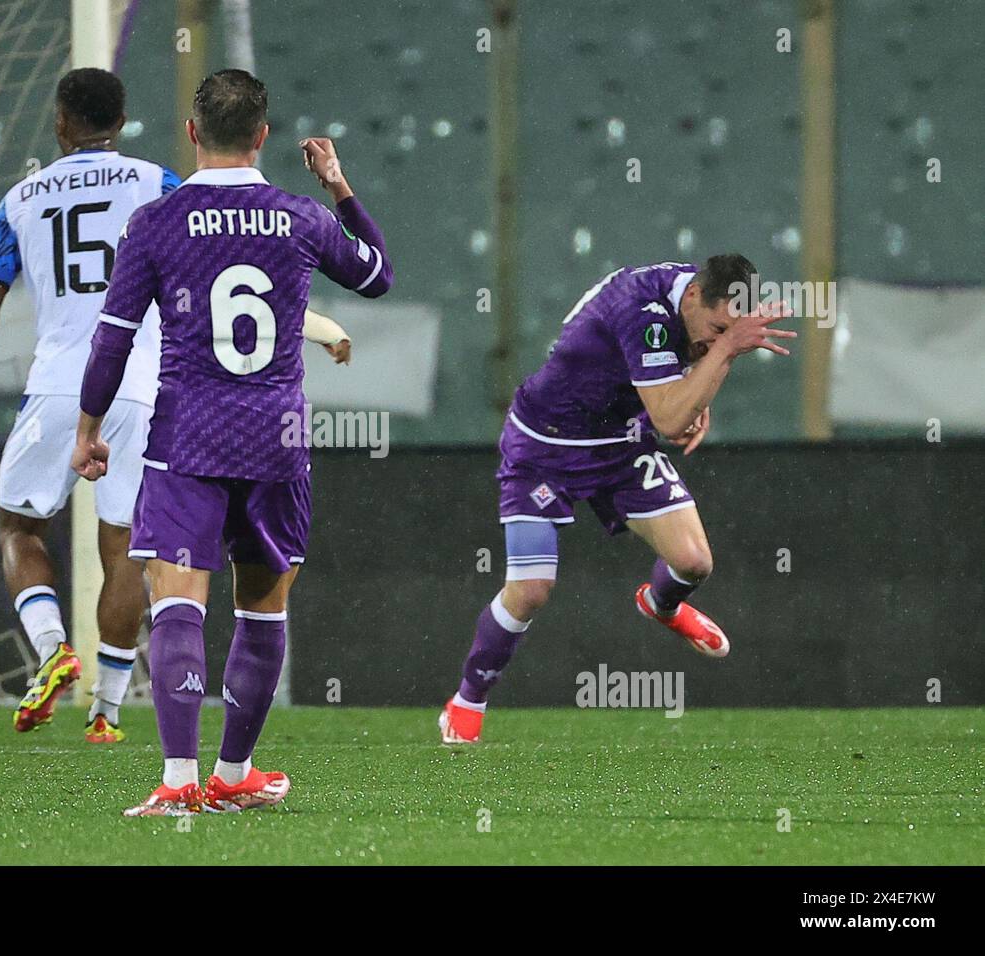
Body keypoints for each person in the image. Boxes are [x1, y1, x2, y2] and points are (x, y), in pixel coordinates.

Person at [71, 69, 393, 815]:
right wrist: (340, 185)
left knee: (178, 602)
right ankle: (236, 771)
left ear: (191, 133)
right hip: (275, 440)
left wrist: (89, 429)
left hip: (188, 436)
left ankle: (180, 783)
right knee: (262, 609)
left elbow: (113, 341)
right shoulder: (301, 217)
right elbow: (377, 276)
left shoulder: (154, 224)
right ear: (262, 137)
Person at [439, 257, 793, 744]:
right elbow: (670, 418)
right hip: (546, 447)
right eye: (716, 327)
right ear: (693, 298)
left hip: (622, 443)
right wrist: (723, 355)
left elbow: (688, 369)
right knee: (531, 590)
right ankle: (467, 699)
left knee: (693, 563)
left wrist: (702, 389)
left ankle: (661, 605)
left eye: (727, 330)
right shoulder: (642, 309)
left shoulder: (702, 292)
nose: (717, 338)